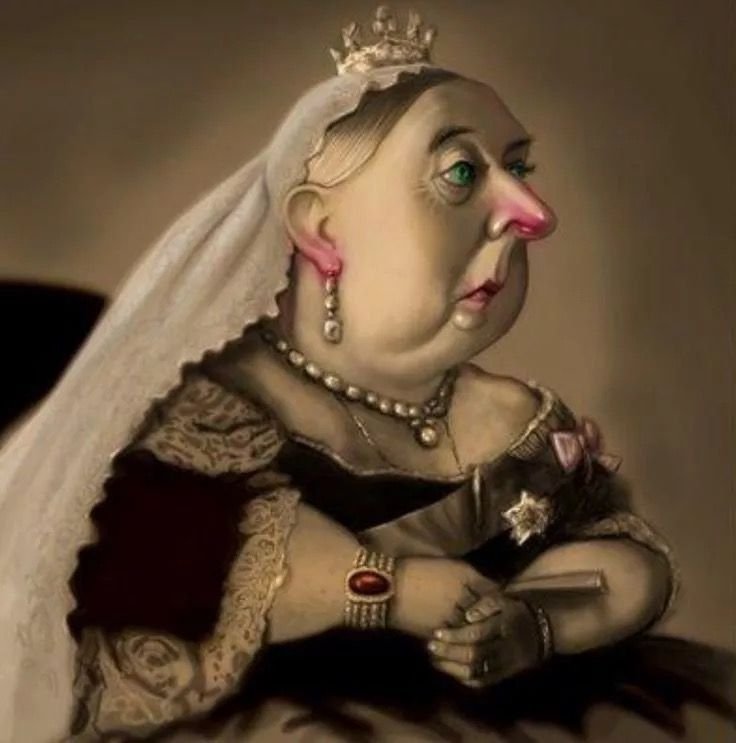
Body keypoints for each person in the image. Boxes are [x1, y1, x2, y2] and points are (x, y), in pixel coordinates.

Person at [0, 6, 713, 742]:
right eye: (461, 174)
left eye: (520, 169)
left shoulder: (516, 420)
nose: (533, 214)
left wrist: (535, 625)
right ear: (321, 227)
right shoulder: (204, 405)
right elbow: (145, 566)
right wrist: (389, 588)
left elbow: (624, 557)